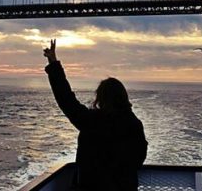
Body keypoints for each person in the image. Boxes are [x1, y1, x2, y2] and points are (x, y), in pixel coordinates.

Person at [43, 39, 148, 191]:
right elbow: (138, 160)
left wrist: (54, 65)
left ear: (100, 98)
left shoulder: (92, 121)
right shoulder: (134, 125)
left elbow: (66, 99)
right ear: (123, 97)